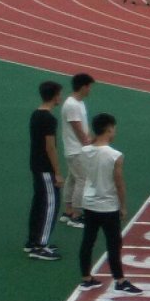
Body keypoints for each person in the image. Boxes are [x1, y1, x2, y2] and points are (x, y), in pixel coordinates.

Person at [74, 113, 141, 295]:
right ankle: (120, 280)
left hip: (89, 202)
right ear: (109, 129)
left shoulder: (84, 151)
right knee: (113, 243)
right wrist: (123, 205)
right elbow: (119, 182)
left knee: (88, 241)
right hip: (108, 205)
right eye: (114, 128)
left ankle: (86, 278)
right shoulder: (115, 155)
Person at [26, 81, 63, 260]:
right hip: (45, 168)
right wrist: (57, 172)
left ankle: (32, 241)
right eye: (59, 94)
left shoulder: (36, 114)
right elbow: (50, 147)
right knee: (51, 204)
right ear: (55, 96)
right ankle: (40, 245)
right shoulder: (49, 119)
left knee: (39, 203)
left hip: (35, 164)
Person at [59, 73, 94, 229]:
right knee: (82, 179)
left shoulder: (78, 103)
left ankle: (68, 211)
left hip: (75, 149)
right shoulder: (72, 105)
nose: (90, 90)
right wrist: (88, 144)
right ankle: (77, 215)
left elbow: (84, 127)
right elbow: (78, 129)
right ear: (83, 87)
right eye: (89, 87)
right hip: (76, 149)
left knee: (73, 178)